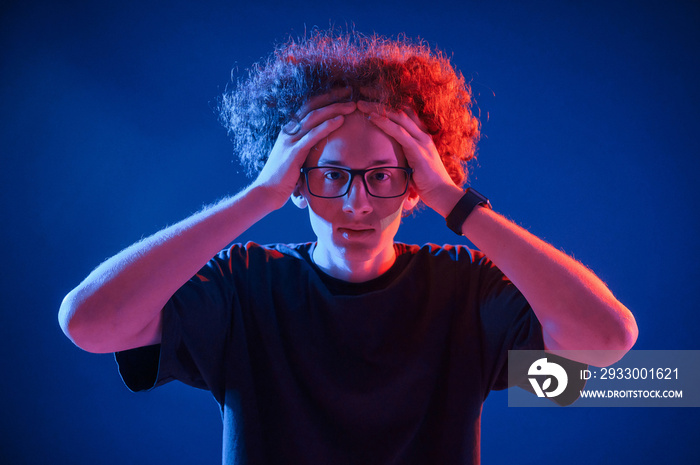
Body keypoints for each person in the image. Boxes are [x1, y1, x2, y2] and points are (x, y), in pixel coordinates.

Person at [58, 30, 638, 464]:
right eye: (331, 175)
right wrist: (256, 197)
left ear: (415, 186)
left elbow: (606, 343)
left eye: (383, 175)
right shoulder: (242, 284)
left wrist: (453, 199)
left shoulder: (467, 289)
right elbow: (91, 324)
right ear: (295, 182)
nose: (358, 204)